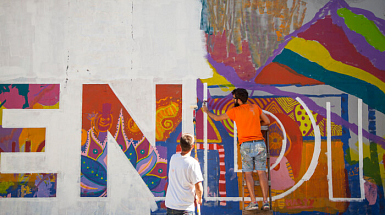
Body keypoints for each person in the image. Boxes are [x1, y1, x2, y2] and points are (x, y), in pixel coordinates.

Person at [202, 88, 270, 210]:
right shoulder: (255, 107)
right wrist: (255, 125)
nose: (233, 100)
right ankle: (265, 202)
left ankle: (253, 202)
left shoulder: (235, 111)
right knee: (261, 172)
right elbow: (267, 121)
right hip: (260, 143)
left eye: (234, 98)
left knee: (248, 174)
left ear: (238, 99)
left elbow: (217, 118)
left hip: (246, 145)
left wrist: (206, 111)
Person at [165, 133, 204, 215]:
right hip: (185, 208)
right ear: (192, 147)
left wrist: (194, 162)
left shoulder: (173, 158)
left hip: (171, 206)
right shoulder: (193, 164)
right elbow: (198, 186)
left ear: (180, 145)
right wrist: (199, 199)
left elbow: (183, 164)